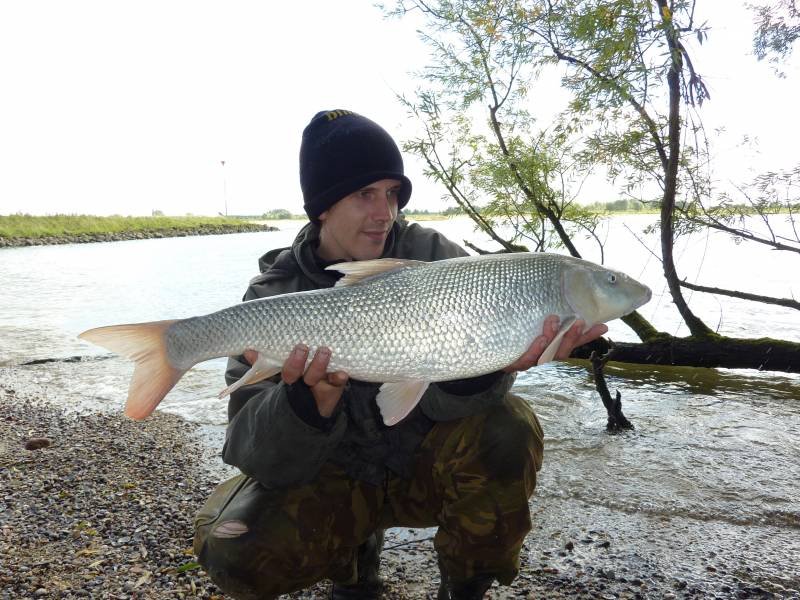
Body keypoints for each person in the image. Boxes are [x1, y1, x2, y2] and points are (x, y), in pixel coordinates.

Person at [193, 109, 606, 600]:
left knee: (509, 423)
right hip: (337, 478)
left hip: (419, 466)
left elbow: (462, 388)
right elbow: (248, 447)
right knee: (233, 554)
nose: (384, 212)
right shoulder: (274, 296)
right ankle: (353, 571)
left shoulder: (437, 259)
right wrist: (305, 406)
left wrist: (478, 373)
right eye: (365, 194)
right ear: (322, 206)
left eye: (392, 194)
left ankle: (466, 583)